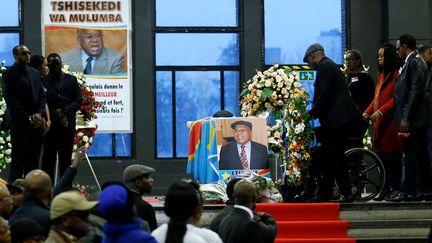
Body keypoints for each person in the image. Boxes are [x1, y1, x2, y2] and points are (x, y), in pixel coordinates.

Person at [303, 43, 362, 202]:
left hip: (337, 121)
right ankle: (325, 192)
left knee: (336, 157)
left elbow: (325, 95)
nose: (310, 66)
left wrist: (312, 114)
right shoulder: (329, 66)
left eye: (309, 62)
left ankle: (347, 192)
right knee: (328, 157)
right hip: (336, 121)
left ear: (313, 56)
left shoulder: (325, 67)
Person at [390, 34, 431, 202]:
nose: (397, 51)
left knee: (412, 154)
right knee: (421, 154)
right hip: (416, 117)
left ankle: (409, 190)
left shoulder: (415, 61)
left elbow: (415, 90)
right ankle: (425, 189)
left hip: (415, 119)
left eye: (398, 47)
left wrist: (406, 117)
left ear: (405, 46)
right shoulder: (412, 61)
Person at [363, 43, 404, 201]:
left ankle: (396, 188)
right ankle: (385, 187)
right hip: (380, 123)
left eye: (382, 56)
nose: (379, 59)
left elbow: (396, 99)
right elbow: (377, 99)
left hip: (392, 123)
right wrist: (367, 112)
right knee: (382, 159)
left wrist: (380, 111)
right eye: (378, 56)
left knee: (394, 158)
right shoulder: (382, 75)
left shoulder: (396, 74)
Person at [2, 45, 46, 182]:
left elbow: (42, 95)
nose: (27, 55)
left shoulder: (35, 72)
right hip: (19, 124)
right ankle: (13, 196)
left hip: (36, 124)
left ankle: (32, 193)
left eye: (29, 52)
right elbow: (10, 100)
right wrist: (28, 118)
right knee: (18, 162)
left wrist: (39, 113)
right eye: (24, 53)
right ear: (15, 56)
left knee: (33, 162)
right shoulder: (9, 74)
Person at [41, 53, 83, 181]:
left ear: (61, 64)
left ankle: (65, 187)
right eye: (52, 64)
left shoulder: (71, 79)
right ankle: (47, 189)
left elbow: (78, 99)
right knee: (48, 158)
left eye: (57, 63)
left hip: (67, 124)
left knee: (65, 158)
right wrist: (54, 112)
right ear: (48, 65)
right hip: (50, 125)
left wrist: (65, 110)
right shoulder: (42, 80)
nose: (56, 66)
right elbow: (41, 101)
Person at [60, 28, 124, 75]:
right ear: (79, 40)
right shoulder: (64, 59)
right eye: (89, 37)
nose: (95, 40)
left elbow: (117, 89)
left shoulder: (115, 59)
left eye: (98, 36)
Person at [9, 170, 52, 236]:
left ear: (25, 191)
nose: (12, 196)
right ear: (49, 192)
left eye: (17, 193)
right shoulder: (50, 219)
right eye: (11, 193)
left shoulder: (12, 217)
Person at [122, 164, 157, 231]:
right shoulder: (145, 207)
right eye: (147, 177)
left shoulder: (119, 202)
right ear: (138, 182)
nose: (152, 180)